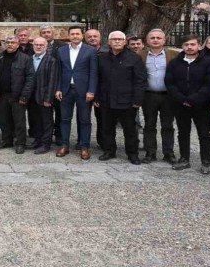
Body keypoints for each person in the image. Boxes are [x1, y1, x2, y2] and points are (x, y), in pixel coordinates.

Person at [164, 35, 210, 174]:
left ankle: (205, 162)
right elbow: (170, 83)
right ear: (182, 46)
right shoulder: (175, 63)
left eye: (193, 44)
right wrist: (182, 99)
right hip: (180, 104)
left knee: (204, 133)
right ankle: (184, 158)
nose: (189, 47)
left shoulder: (209, 62)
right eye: (186, 44)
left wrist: (192, 99)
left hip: (202, 106)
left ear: (199, 46)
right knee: (183, 133)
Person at [96, 31, 146, 164]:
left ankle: (132, 154)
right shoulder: (101, 58)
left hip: (127, 102)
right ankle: (109, 151)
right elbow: (97, 79)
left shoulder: (134, 58)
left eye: (120, 39)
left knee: (130, 130)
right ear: (109, 42)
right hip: (106, 100)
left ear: (125, 42)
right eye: (114, 39)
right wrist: (97, 97)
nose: (117, 41)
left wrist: (137, 100)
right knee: (107, 128)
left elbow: (140, 81)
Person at [55, 26, 98, 159]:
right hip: (66, 90)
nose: (75, 36)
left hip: (84, 91)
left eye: (77, 34)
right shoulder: (61, 51)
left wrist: (91, 90)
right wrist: (58, 88)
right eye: (72, 34)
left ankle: (84, 147)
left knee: (85, 120)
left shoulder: (90, 51)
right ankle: (64, 145)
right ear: (69, 35)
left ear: (82, 35)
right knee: (64, 119)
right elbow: (58, 71)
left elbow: (94, 72)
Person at [139, 29, 179, 164]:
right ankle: (150, 152)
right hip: (149, 96)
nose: (155, 40)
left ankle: (168, 153)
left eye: (158, 38)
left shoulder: (173, 55)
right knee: (149, 125)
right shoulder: (141, 55)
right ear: (147, 40)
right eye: (152, 38)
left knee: (167, 125)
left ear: (164, 40)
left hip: (168, 96)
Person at [0, 36, 35, 153]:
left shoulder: (25, 58)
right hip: (3, 94)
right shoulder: (1, 56)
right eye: (7, 42)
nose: (10, 45)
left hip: (17, 95)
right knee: (4, 119)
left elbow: (30, 78)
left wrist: (24, 96)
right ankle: (7, 140)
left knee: (19, 121)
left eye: (13, 43)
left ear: (18, 45)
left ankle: (20, 143)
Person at [30, 37, 60, 154]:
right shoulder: (29, 59)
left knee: (47, 122)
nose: (38, 47)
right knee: (36, 120)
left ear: (46, 47)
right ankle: (38, 140)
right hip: (32, 97)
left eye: (41, 45)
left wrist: (48, 99)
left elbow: (52, 81)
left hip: (44, 97)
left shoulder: (51, 60)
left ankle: (46, 144)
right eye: (36, 45)